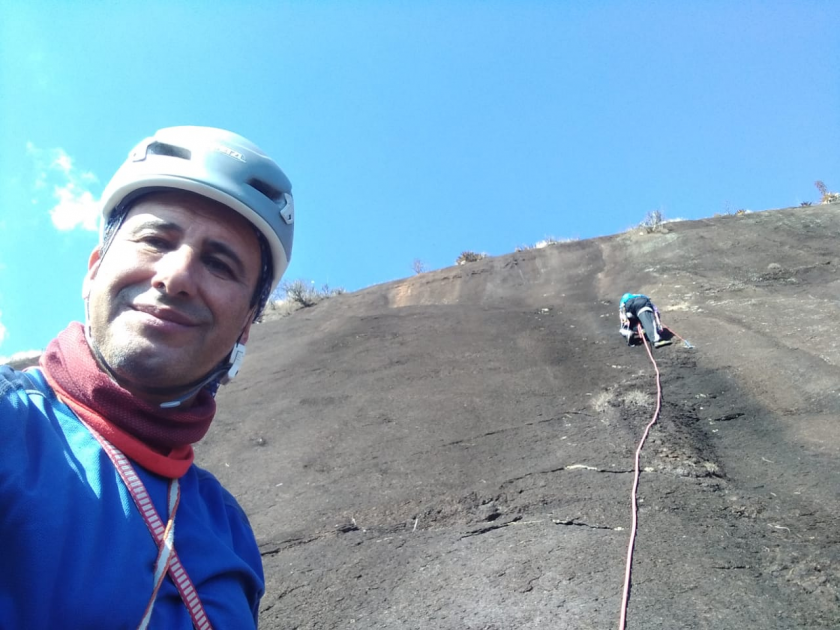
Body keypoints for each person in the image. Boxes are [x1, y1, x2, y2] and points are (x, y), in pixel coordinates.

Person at [0, 126, 295, 629]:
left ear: (245, 326)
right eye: (156, 239)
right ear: (93, 270)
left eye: (220, 264)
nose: (176, 275)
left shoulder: (228, 529)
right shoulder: (12, 423)